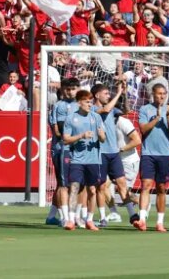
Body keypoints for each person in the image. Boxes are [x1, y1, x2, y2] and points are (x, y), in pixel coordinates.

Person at [135, 83, 169, 232]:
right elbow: (143, 129)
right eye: (159, 93)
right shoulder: (145, 109)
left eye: (164, 93)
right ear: (153, 94)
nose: (161, 96)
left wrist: (166, 115)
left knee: (161, 187)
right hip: (148, 153)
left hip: (164, 154)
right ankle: (142, 219)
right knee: (145, 186)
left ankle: (160, 221)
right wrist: (157, 118)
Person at [92, 83, 136, 227]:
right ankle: (103, 217)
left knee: (122, 183)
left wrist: (124, 93)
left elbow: (127, 110)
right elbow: (106, 109)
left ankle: (132, 215)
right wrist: (117, 94)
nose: (108, 95)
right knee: (101, 186)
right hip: (100, 153)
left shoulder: (112, 108)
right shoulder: (93, 109)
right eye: (105, 93)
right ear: (97, 95)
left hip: (114, 152)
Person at [62, 89, 105, 231]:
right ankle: (70, 220)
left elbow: (103, 139)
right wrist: (81, 136)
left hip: (94, 160)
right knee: (74, 187)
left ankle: (90, 220)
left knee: (92, 190)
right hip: (77, 160)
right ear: (79, 102)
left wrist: (100, 136)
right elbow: (66, 139)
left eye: (91, 101)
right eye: (87, 102)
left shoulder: (96, 117)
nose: (90, 104)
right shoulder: (71, 118)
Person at [45, 78, 78, 226]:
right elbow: (58, 130)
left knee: (69, 184)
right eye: (67, 89)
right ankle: (66, 217)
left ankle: (52, 215)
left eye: (73, 88)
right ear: (62, 89)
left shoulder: (81, 105)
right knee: (64, 183)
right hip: (62, 149)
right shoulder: (59, 106)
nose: (70, 91)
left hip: (77, 150)